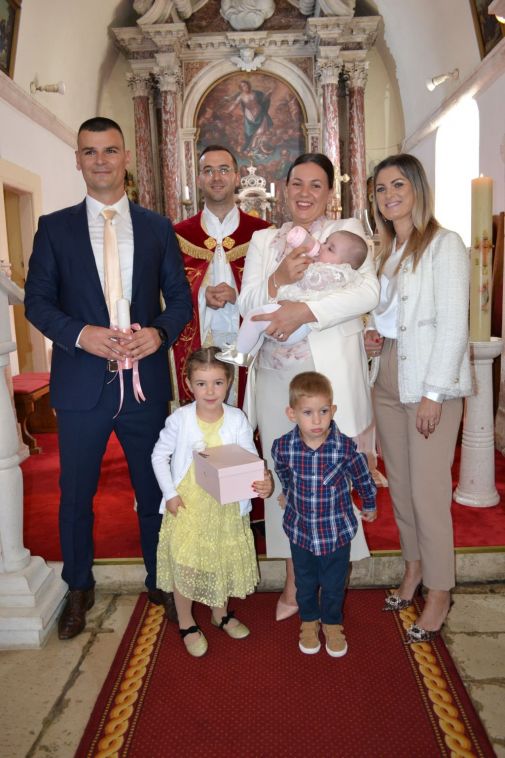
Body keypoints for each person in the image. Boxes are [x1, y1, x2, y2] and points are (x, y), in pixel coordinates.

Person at [24, 117, 193, 639]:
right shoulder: (55, 228)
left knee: (154, 488)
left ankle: (160, 579)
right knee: (75, 494)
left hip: (144, 386)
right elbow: (38, 303)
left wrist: (158, 334)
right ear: (77, 159)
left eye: (110, 150)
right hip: (81, 386)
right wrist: (82, 335)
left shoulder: (157, 228)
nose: (100, 160)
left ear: (126, 158)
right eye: (90, 151)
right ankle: (78, 585)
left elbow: (179, 300)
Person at [238, 152, 380, 620]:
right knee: (285, 475)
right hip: (275, 377)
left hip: (326, 375)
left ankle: (333, 578)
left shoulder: (347, 233)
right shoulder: (264, 240)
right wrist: (278, 278)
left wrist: (304, 312)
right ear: (284, 188)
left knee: (331, 477)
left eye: (316, 185)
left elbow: (368, 292)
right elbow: (247, 302)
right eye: (296, 183)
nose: (305, 193)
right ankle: (294, 581)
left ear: (329, 193)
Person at [366, 153, 471, 643]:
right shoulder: (387, 250)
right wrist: (373, 337)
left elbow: (453, 325)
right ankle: (413, 569)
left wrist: (434, 393)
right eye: (381, 188)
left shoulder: (443, 244)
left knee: (429, 495)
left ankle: (441, 591)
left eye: (398, 185)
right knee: (403, 488)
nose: (389, 195)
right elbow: (391, 318)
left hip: (430, 381)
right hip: (388, 374)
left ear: (417, 189)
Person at [151, 347, 273, 657]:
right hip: (188, 505)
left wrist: (264, 480)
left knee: (220, 560)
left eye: (218, 383)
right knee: (187, 563)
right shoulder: (180, 419)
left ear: (229, 382)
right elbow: (159, 456)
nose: (210, 391)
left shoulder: (237, 418)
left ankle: (220, 615)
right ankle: (187, 622)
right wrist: (170, 494)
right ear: (189, 384)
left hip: (224, 506)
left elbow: (249, 460)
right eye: (201, 383)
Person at [272, 372, 376, 656]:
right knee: (304, 582)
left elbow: (362, 477)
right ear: (292, 414)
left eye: (323, 411)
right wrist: (287, 492)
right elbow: (283, 472)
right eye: (308, 413)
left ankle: (332, 622)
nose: (317, 420)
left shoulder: (344, 447)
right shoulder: (283, 447)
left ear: (333, 410)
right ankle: (308, 620)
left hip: (336, 532)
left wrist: (369, 503)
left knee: (333, 583)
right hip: (300, 531)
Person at [172, 144, 270, 406]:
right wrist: (202, 295)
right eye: (208, 171)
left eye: (224, 170)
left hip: (247, 344)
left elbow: (275, 292)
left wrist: (238, 296)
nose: (216, 177)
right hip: (200, 343)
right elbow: (166, 295)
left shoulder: (263, 233)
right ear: (199, 179)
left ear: (236, 177)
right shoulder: (178, 235)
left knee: (245, 415)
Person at [217, 224, 368, 367]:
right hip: (277, 356)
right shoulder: (262, 237)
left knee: (254, 318)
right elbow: (245, 303)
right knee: (257, 324)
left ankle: (239, 353)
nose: (322, 246)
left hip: (308, 339)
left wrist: (303, 273)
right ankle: (245, 352)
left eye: (330, 249)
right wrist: (278, 278)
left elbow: (367, 295)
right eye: (325, 242)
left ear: (345, 264)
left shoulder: (332, 273)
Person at [224, 80, 273, 154]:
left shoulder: (256, 93)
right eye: (243, 86)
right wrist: (228, 111)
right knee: (249, 133)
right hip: (249, 116)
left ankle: (257, 148)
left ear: (249, 85)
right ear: (241, 88)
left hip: (259, 113)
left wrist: (268, 95)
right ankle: (249, 148)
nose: (245, 87)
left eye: (246, 85)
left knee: (261, 132)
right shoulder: (241, 96)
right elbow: (234, 104)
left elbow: (264, 99)